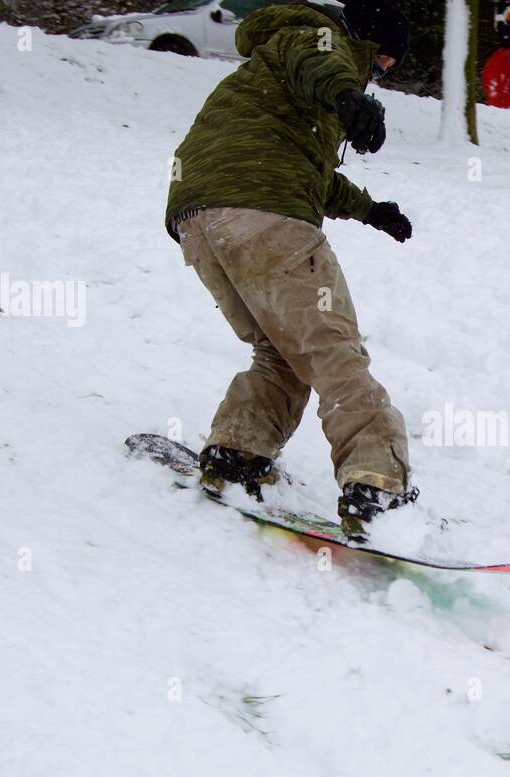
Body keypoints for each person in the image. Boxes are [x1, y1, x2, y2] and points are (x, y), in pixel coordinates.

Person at [164, 0, 417, 540]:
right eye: (386, 59)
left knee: (282, 349)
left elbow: (298, 169)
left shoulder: (272, 78)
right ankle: (377, 482)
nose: (384, 73)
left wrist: (373, 211)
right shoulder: (317, 38)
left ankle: (238, 452)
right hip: (262, 213)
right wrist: (348, 96)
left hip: (200, 218)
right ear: (367, 40)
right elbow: (319, 63)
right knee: (332, 350)